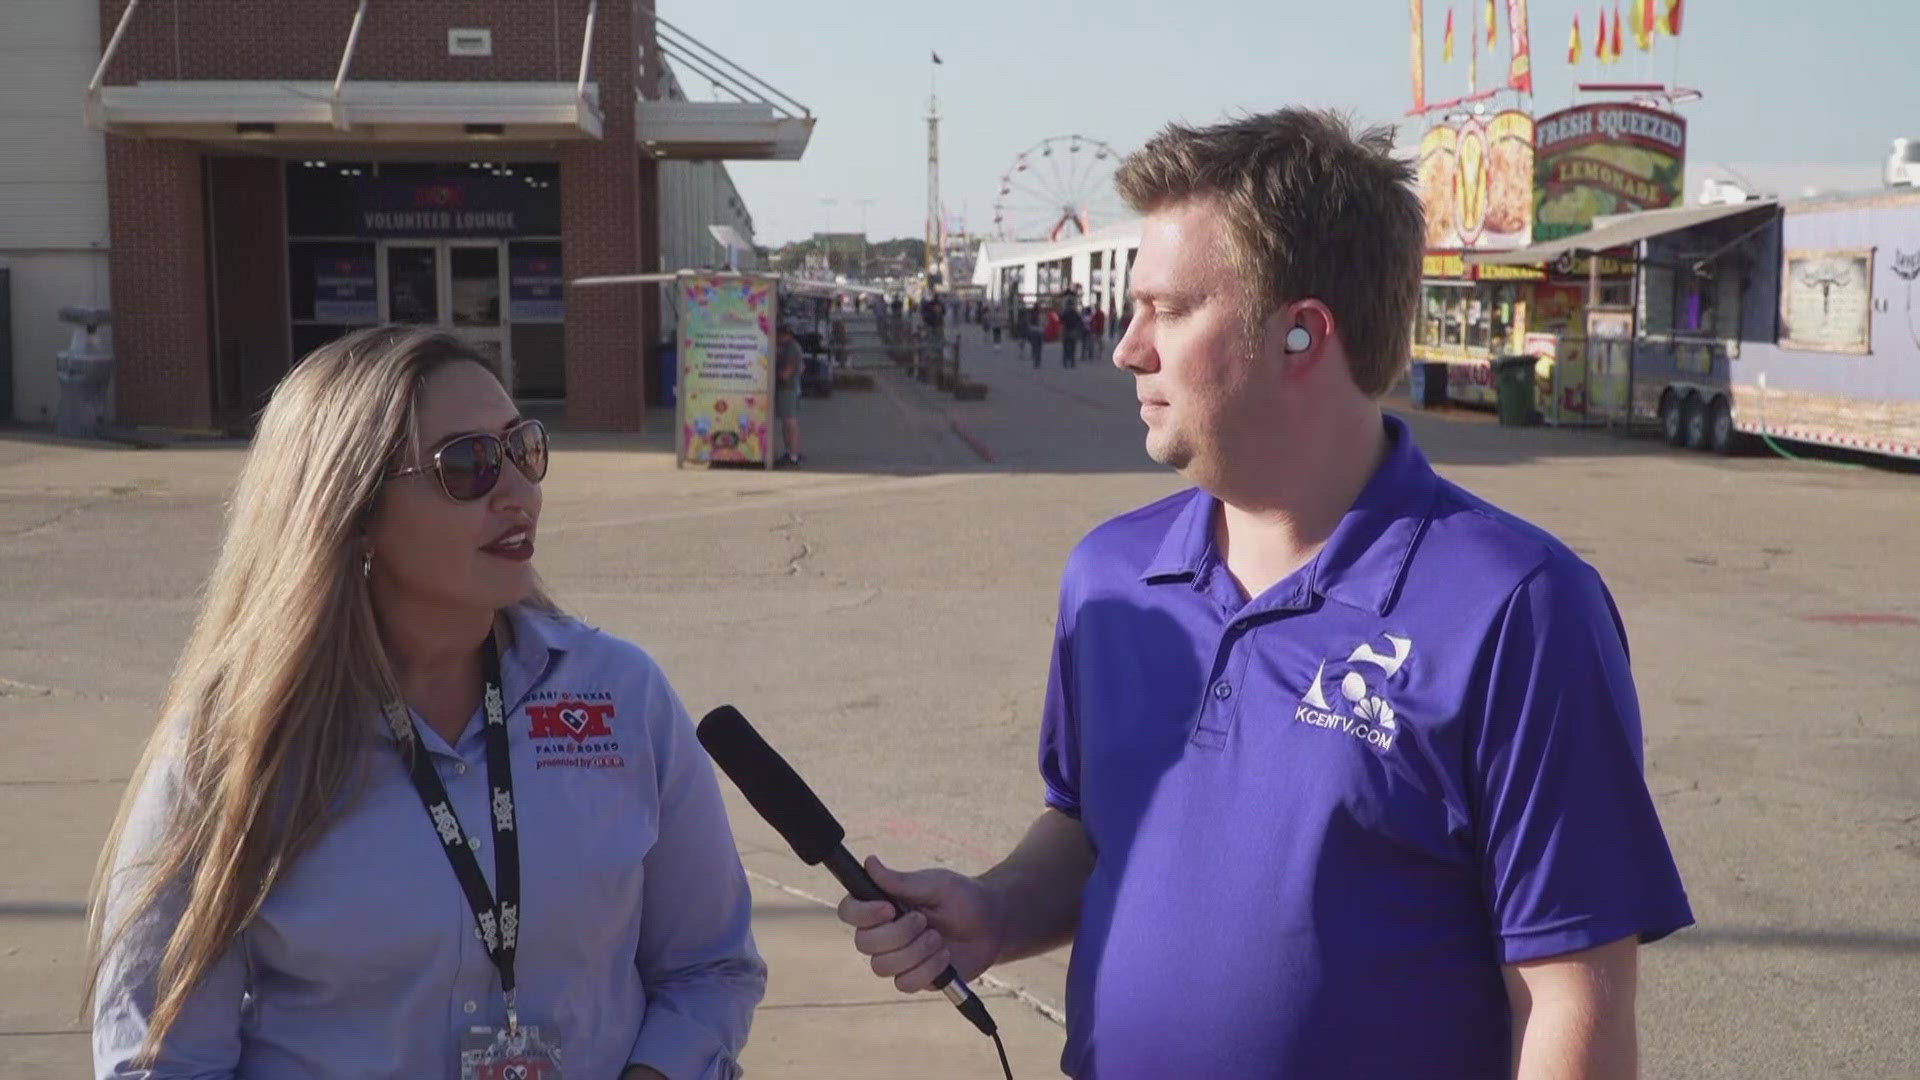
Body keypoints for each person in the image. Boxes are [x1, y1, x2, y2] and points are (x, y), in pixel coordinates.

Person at [837, 108, 1693, 1078]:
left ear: (1302, 334)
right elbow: (1092, 827)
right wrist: (994, 909)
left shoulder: (1517, 608)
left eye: (1166, 308)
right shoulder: (1109, 580)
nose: (1126, 348)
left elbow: (1572, 1003)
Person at [89, 327, 766, 1079]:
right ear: (356, 512)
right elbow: (162, 1058)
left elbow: (709, 968)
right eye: (469, 465)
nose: (519, 493)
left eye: (523, 449)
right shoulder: (234, 748)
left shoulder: (621, 695)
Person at [775, 324, 804, 467]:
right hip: (790, 388)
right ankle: (791, 452)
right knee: (788, 421)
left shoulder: (791, 349)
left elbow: (787, 373)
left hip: (788, 389)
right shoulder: (791, 347)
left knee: (789, 421)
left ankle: (793, 454)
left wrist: (773, 374)